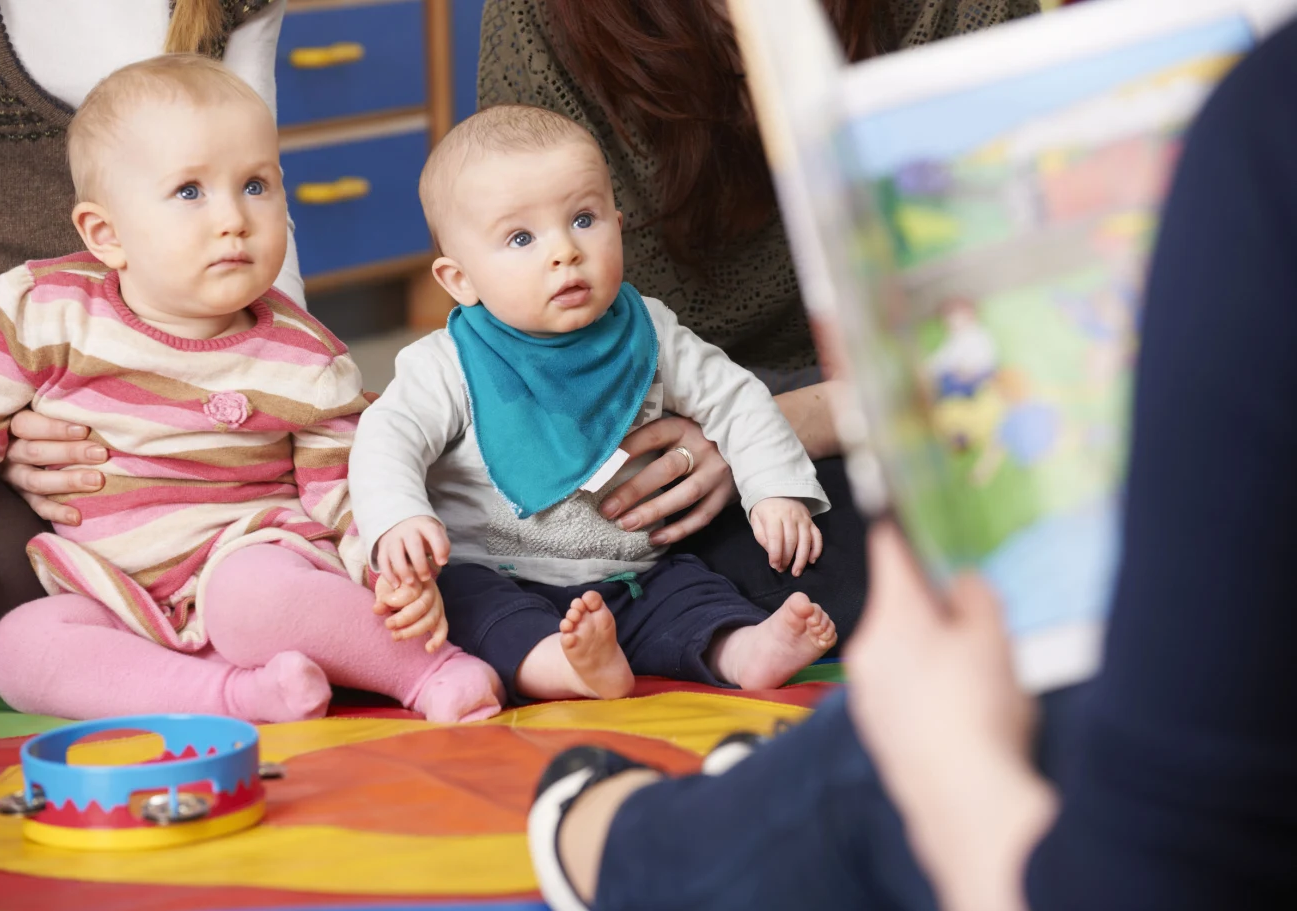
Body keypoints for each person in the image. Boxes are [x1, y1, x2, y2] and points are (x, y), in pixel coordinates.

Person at [523, 19, 1297, 910]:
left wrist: (945, 757)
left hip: (867, 429)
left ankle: (659, 849)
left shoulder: (1259, 130)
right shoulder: (559, 32)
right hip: (726, 450)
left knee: (942, 697)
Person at [0, 56, 503, 725]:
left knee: (252, 601)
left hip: (252, 554)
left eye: (256, 185)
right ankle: (234, 694)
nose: (233, 218)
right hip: (112, 587)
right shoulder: (40, 308)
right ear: (105, 234)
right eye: (190, 192)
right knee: (22, 651)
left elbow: (345, 488)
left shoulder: (305, 357)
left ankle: (431, 671)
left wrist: (387, 573)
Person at [473, 0, 1042, 646]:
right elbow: (519, 294)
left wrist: (770, 426)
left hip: (923, 386)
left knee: (988, 568)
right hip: (662, 436)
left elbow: (1039, 290)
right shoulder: (543, 17)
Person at [349, 104, 838, 706]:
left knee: (692, 594)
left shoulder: (650, 333)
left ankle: (742, 649)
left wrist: (773, 488)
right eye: (521, 237)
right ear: (460, 280)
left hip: (630, 575)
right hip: (492, 571)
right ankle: (564, 665)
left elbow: (736, 399)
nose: (564, 251)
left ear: (618, 221)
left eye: (583, 219)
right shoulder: (446, 362)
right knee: (470, 614)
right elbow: (386, 435)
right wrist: (397, 518)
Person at [0, 0, 305, 691]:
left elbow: (249, 200)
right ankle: (214, 682)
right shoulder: (26, 308)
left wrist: (274, 378)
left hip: (168, 388)